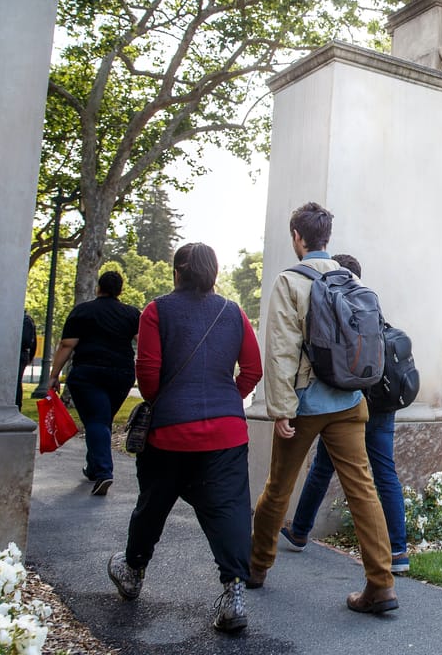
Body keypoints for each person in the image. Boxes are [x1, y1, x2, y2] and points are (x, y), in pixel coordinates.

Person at [106, 242, 263, 635]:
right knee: (229, 509)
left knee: (153, 503)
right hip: (227, 432)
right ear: (214, 272)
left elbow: (149, 377)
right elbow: (253, 369)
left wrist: (173, 402)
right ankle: (233, 594)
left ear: (177, 272)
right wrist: (228, 398)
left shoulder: (156, 311)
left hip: (170, 431)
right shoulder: (233, 312)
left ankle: (133, 571)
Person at [250, 202, 398, 614]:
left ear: (298, 238)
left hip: (306, 403)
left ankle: (257, 567)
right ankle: (380, 584)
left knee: (278, 487)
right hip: (351, 400)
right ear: (326, 238)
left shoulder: (289, 281)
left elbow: (281, 350)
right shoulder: (348, 277)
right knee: (363, 490)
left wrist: (280, 409)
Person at [279, 253, 409, 574]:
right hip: (383, 403)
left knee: (322, 467)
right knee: (385, 473)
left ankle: (299, 531)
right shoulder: (372, 306)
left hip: (350, 404)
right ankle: (398, 551)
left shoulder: (334, 305)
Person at [48, 270, 141, 496]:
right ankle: (92, 467)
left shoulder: (83, 311)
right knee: (101, 419)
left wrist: (53, 375)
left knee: (97, 419)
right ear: (120, 290)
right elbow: (143, 342)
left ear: (98, 287)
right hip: (122, 374)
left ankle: (103, 472)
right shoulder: (131, 314)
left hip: (88, 373)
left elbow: (67, 345)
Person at [17, 311, 37, 408]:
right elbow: (33, 342)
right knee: (17, 383)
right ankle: (17, 406)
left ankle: (16, 405)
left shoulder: (24, 320)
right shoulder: (27, 320)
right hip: (23, 354)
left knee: (16, 383)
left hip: (19, 354)